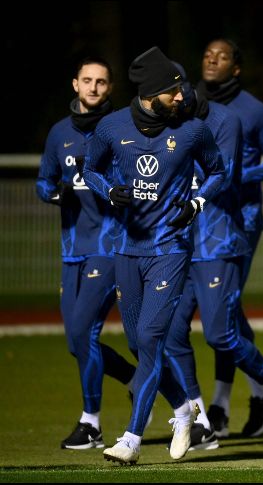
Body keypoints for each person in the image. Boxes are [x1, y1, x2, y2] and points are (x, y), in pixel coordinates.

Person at [82, 46, 226, 464]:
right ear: (150, 93)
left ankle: (131, 438)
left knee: (150, 339)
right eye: (173, 91)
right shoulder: (111, 128)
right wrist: (109, 190)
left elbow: (218, 171)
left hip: (171, 248)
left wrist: (196, 202)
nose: (182, 97)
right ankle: (184, 411)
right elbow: (91, 169)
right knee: (136, 343)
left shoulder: (193, 131)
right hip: (127, 249)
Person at [163, 63, 263, 450]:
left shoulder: (227, 120)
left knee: (221, 331)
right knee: (172, 333)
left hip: (217, 238)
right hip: (177, 241)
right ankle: (201, 420)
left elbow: (219, 176)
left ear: (183, 87)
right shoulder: (160, 122)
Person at [36, 56, 138, 450]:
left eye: (102, 82)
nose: (94, 87)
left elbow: (137, 180)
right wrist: (53, 193)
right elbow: (43, 180)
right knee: (76, 342)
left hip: (108, 245)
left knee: (84, 332)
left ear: (110, 89)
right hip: (72, 249)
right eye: (87, 80)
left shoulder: (120, 131)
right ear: (75, 85)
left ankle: (91, 423)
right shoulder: (59, 132)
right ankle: (133, 380)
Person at [196, 38, 263, 439]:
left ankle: (226, 404)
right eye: (207, 55)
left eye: (222, 57)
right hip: (196, 221)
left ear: (236, 68)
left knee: (224, 312)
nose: (212, 61)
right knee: (219, 312)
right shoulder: (189, 103)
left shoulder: (254, 111)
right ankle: (254, 397)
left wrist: (236, 177)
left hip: (239, 220)